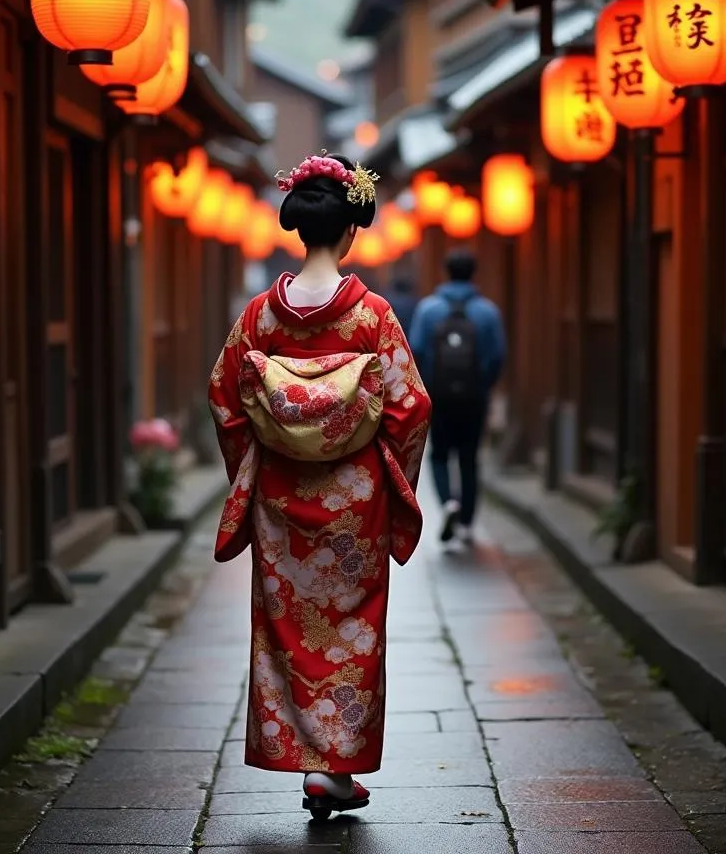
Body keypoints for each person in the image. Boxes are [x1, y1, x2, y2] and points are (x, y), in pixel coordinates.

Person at [207, 153, 432, 821]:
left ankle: (302, 758)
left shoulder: (259, 319)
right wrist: (386, 471)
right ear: (352, 229)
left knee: (285, 632)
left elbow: (225, 399)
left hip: (280, 494)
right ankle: (333, 772)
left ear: (299, 227)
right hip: (354, 501)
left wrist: (260, 458)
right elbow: (410, 407)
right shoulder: (372, 317)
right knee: (350, 629)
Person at [409, 249, 506, 545]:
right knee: (468, 457)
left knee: (439, 454)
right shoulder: (488, 312)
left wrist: (428, 386)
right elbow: (497, 355)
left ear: (446, 272)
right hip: (474, 397)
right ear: (473, 273)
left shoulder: (428, 309)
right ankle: (466, 522)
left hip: (438, 396)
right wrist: (483, 386)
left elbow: (416, 351)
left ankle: (448, 503)